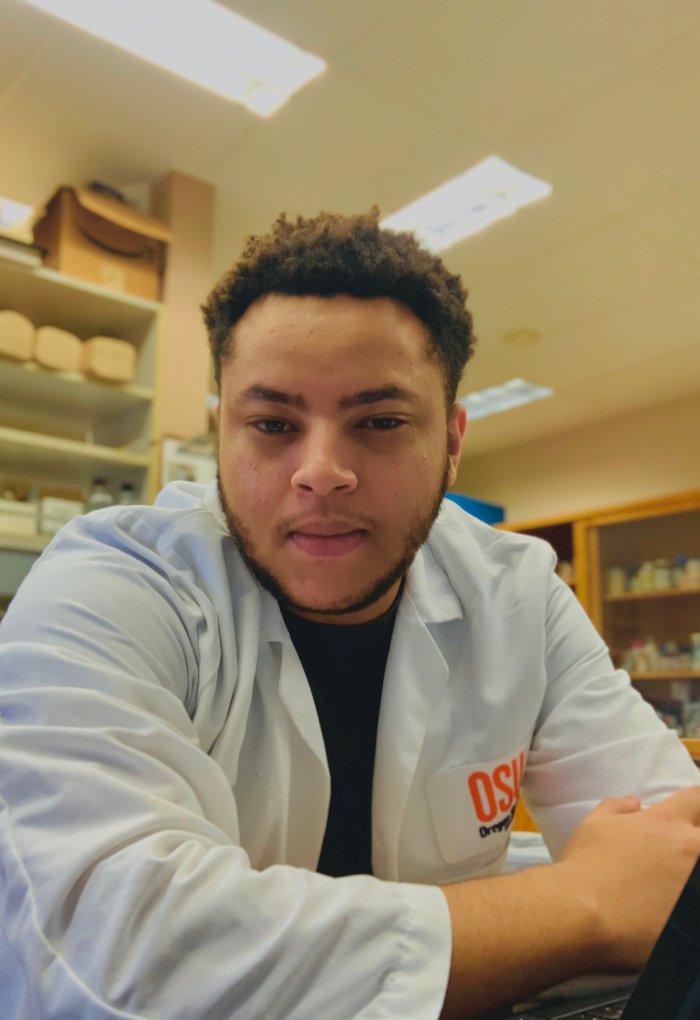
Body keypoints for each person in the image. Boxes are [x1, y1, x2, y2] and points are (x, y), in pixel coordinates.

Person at [1, 209, 699, 1020]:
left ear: (452, 441)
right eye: (272, 425)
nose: (322, 472)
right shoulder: (113, 585)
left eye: (380, 422)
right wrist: (576, 907)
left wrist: (599, 898)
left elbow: (672, 853)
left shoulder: (520, 594)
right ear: (219, 433)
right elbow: (115, 955)